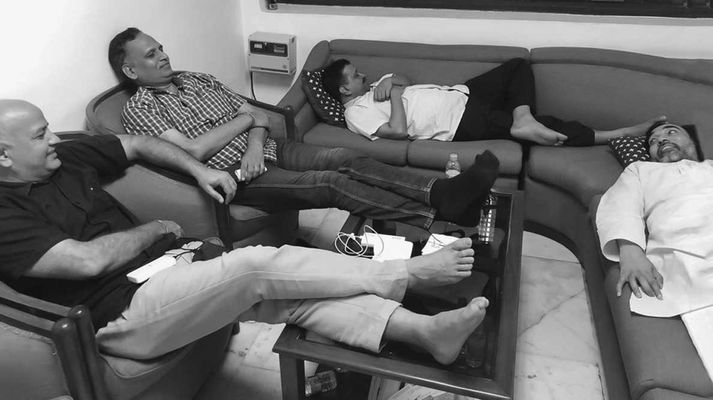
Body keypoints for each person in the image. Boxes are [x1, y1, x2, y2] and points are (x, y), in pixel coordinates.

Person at [0, 99, 489, 364]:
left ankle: (426, 333)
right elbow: (85, 262)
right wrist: (154, 228)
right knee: (257, 264)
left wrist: (196, 171)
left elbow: (135, 144)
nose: (54, 140)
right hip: (123, 310)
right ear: (3, 155)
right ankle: (404, 273)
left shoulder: (66, 160)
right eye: (41, 135)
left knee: (291, 294)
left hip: (174, 266)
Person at [109, 28, 499, 230]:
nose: (164, 56)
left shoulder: (197, 78)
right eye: (151, 55)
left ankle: (440, 192)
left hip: (266, 149)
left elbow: (257, 117)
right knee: (329, 182)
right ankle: (434, 214)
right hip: (236, 177)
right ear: (131, 70)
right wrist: (246, 126)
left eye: (161, 48)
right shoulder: (140, 110)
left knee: (346, 157)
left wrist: (253, 138)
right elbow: (193, 150)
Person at [323, 58, 664, 146]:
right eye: (355, 76)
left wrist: (389, 80)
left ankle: (522, 118)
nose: (363, 76)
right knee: (550, 131)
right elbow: (397, 131)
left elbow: (407, 84)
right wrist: (394, 92)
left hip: (462, 94)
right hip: (457, 123)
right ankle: (619, 133)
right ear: (343, 90)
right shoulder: (358, 114)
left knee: (517, 66)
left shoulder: (372, 91)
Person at [596, 120, 713, 317]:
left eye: (671, 132)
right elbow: (621, 205)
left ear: (692, 140)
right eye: (653, 141)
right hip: (684, 253)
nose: (662, 140)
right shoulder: (640, 170)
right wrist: (630, 251)